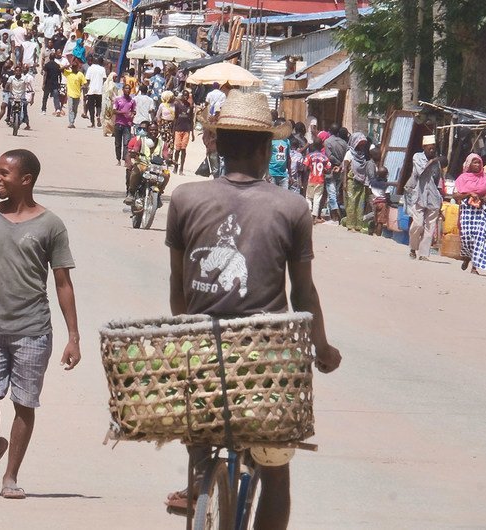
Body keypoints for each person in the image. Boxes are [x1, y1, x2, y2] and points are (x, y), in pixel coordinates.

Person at [163, 91, 341, 526]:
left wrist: (187, 334)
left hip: (203, 349)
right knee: (276, 477)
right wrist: (322, 348)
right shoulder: (293, 207)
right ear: (266, 150)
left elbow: (178, 283)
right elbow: (303, 293)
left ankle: (202, 470)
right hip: (268, 355)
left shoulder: (184, 199)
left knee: (201, 429)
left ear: (217, 145)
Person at [0, 148, 79, 500]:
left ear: (26, 180)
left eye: (4, 173)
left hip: (33, 330)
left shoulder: (51, 224)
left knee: (25, 403)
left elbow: (63, 283)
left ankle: (10, 476)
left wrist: (73, 337)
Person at [399, 135, 444, 260]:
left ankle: (424, 254)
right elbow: (420, 171)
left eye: (434, 148)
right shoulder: (417, 157)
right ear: (424, 147)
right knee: (418, 224)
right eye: (430, 147)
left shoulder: (437, 162)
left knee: (430, 227)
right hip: (419, 195)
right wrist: (433, 161)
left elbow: (438, 181)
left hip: (434, 198)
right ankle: (413, 248)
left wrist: (441, 199)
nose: (432, 150)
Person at [453, 153, 486, 274]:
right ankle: (466, 257)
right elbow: (455, 196)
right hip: (467, 212)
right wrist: (469, 194)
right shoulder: (462, 178)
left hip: (481, 211)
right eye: (474, 162)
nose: (477, 165)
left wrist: (485, 198)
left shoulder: (485, 178)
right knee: (466, 237)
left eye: (479, 163)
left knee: (479, 237)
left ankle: (475, 267)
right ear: (469, 164)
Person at [342, 132, 371, 233]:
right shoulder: (349, 154)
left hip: (361, 183)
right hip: (351, 182)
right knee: (351, 203)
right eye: (360, 143)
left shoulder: (362, 155)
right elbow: (345, 169)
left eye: (363, 144)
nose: (362, 146)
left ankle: (358, 225)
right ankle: (350, 225)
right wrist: (344, 183)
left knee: (360, 204)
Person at [0, 64, 32, 131]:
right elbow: (7, 84)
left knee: (24, 108)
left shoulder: (24, 78)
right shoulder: (11, 77)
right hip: (13, 95)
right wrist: (6, 89)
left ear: (21, 71)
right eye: (16, 71)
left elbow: (28, 84)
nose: (18, 72)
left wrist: (30, 89)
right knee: (9, 104)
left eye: (19, 71)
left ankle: (26, 122)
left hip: (21, 96)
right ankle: (8, 117)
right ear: (15, 71)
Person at [322, 126, 349, 224]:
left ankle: (335, 217)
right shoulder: (344, 143)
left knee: (332, 193)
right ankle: (335, 216)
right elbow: (346, 157)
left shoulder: (327, 142)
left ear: (329, 131)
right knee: (335, 192)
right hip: (341, 170)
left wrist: (337, 163)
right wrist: (341, 164)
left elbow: (330, 156)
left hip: (331, 170)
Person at [303, 138, 331, 222]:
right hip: (320, 180)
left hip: (311, 179)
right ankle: (314, 216)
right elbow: (329, 169)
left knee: (308, 197)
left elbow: (305, 168)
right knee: (317, 198)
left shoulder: (309, 156)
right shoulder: (325, 157)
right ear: (321, 146)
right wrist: (324, 171)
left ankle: (308, 211)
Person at [171, 92, 194, 174]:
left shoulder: (190, 106)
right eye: (184, 95)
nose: (185, 97)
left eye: (187, 96)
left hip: (186, 130)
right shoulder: (177, 105)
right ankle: (175, 167)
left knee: (183, 149)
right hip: (178, 129)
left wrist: (193, 132)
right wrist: (173, 131)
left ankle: (181, 169)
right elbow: (175, 118)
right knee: (177, 149)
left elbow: (191, 119)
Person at [112, 84, 135, 166]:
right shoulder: (118, 100)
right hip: (118, 124)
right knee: (118, 143)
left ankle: (125, 159)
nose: (127, 90)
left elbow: (134, 111)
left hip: (127, 125)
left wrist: (132, 114)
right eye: (126, 88)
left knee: (126, 143)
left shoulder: (132, 101)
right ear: (123, 89)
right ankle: (118, 159)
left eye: (129, 89)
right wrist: (123, 112)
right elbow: (114, 111)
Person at [83, 57, 106, 129]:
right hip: (99, 90)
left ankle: (93, 123)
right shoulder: (102, 69)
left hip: (91, 90)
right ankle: (98, 115)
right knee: (98, 105)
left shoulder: (90, 68)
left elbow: (87, 80)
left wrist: (86, 90)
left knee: (91, 107)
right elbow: (104, 79)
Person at [62, 63, 86, 128]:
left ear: (77, 67)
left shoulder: (80, 74)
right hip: (70, 94)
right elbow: (60, 69)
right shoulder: (68, 73)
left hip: (77, 94)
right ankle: (71, 123)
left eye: (75, 67)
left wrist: (82, 87)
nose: (74, 69)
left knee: (75, 109)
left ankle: (72, 120)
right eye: (73, 67)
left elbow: (84, 83)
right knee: (70, 108)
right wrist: (67, 65)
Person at [155, 90, 175, 160]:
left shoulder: (174, 105)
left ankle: (169, 157)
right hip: (164, 125)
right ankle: (161, 155)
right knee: (163, 141)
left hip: (172, 125)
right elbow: (158, 115)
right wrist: (159, 124)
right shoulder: (162, 105)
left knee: (171, 141)